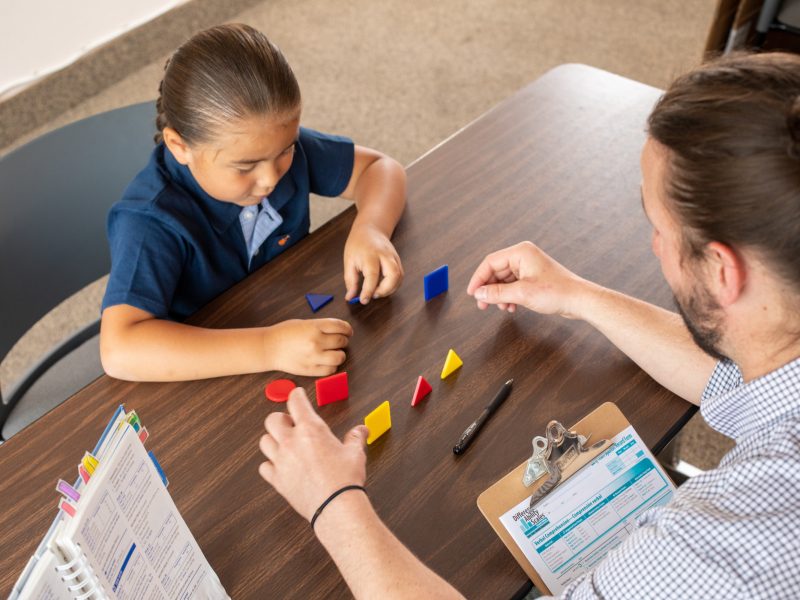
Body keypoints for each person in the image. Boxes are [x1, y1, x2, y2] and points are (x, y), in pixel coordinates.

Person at [258, 51, 800, 598]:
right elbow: (735, 379)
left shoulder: (719, 549)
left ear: (723, 270)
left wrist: (333, 503)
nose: (653, 244)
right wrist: (576, 296)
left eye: (656, 226)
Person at [100, 23, 406, 381]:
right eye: (245, 166)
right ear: (180, 146)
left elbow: (380, 168)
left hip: (278, 318)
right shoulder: (148, 222)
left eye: (285, 150)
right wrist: (268, 347)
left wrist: (371, 227)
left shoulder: (268, 147)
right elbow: (120, 350)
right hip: (203, 370)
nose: (271, 178)